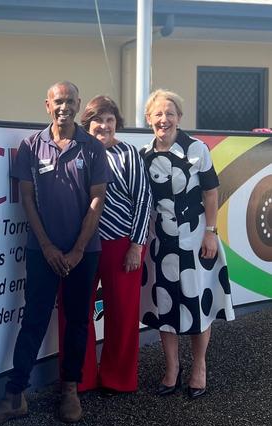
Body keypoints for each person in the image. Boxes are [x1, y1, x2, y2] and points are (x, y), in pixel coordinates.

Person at [0, 81, 112, 425]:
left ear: (78, 104)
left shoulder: (93, 149)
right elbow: (26, 199)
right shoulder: (31, 146)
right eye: (57, 102)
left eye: (69, 101)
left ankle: (69, 391)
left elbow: (98, 200)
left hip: (84, 252)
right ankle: (15, 396)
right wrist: (48, 246)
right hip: (42, 252)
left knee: (77, 322)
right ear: (47, 106)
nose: (63, 107)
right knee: (33, 321)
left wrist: (79, 248)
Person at [140, 89, 235, 399]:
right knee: (165, 305)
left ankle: (199, 368)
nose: (164, 119)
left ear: (179, 117)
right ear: (149, 119)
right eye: (158, 114)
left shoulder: (197, 150)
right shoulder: (144, 155)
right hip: (161, 242)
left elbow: (210, 193)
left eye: (170, 113)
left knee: (197, 305)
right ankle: (171, 369)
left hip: (195, 240)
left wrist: (211, 231)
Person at [58, 95, 152, 394]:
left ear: (117, 124)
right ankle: (79, 377)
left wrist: (136, 246)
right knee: (75, 311)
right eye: (98, 120)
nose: (104, 125)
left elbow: (143, 200)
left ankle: (118, 378)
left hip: (121, 244)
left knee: (122, 314)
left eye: (110, 119)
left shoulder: (129, 154)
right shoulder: (76, 153)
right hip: (81, 245)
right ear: (87, 123)